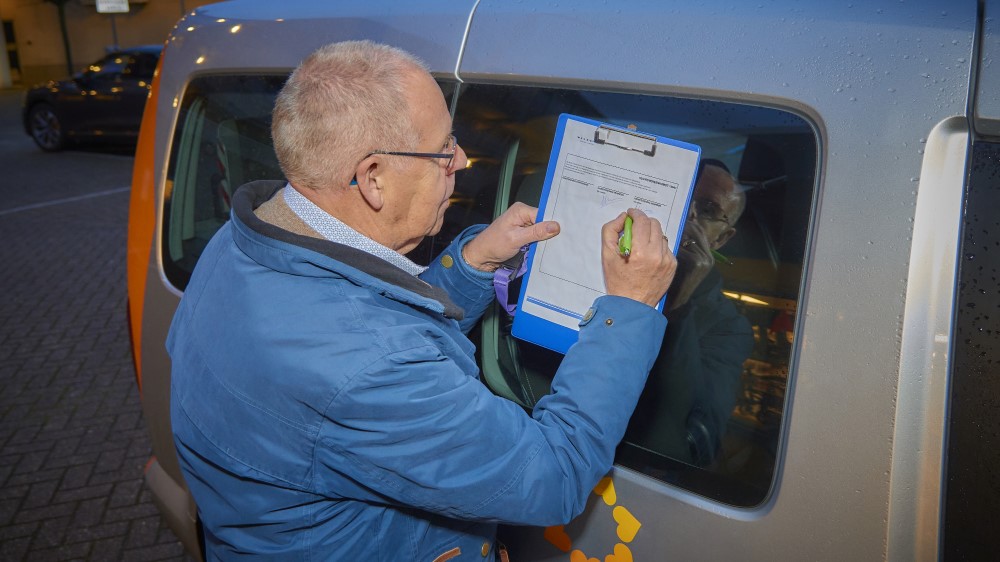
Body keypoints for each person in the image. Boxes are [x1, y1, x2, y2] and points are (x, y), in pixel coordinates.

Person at [167, 40, 677, 561]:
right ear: (373, 179)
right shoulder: (365, 363)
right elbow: (555, 474)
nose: (462, 159)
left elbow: (372, 325)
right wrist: (629, 309)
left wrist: (472, 263)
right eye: (443, 150)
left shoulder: (239, 245)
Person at [625, 159, 754, 466]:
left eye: (708, 209)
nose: (689, 213)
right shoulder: (612, 258)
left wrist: (676, 307)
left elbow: (696, 443)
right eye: (681, 196)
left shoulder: (728, 329)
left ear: (720, 239)